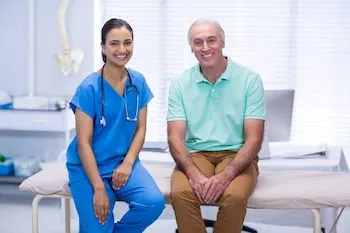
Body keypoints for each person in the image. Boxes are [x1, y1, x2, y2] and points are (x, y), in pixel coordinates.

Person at [66, 18, 165, 233]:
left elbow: (140, 129)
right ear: (103, 47)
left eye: (127, 42)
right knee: (97, 226)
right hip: (88, 165)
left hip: (122, 162)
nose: (122, 49)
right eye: (114, 43)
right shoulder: (89, 88)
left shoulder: (138, 82)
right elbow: (84, 143)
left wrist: (129, 162)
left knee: (153, 203)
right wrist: (99, 187)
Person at [167, 18, 265, 233]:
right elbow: (175, 138)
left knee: (234, 196)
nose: (205, 48)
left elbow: (254, 139)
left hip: (236, 154)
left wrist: (225, 177)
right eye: (197, 42)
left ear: (222, 42)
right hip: (197, 155)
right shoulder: (180, 83)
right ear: (191, 47)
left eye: (211, 40)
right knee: (180, 194)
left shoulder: (249, 79)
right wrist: (194, 175)